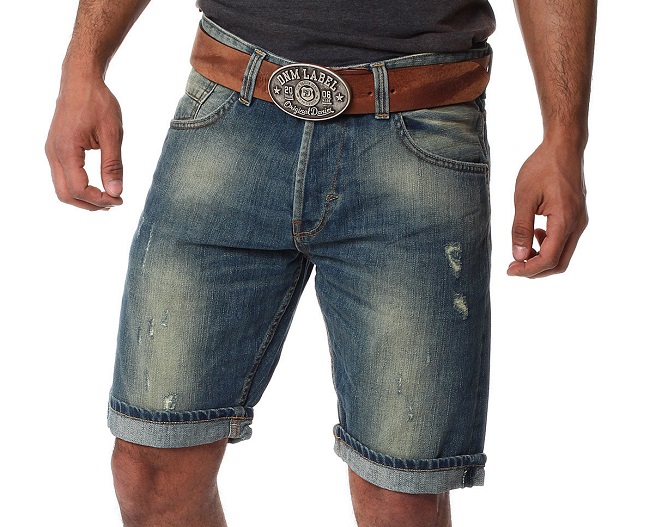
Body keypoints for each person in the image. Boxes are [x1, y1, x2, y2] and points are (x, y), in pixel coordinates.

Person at [45, 1, 595, 525]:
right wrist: (83, 65)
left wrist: (564, 137)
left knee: (401, 499)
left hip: (418, 128)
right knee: (150, 468)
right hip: (231, 106)